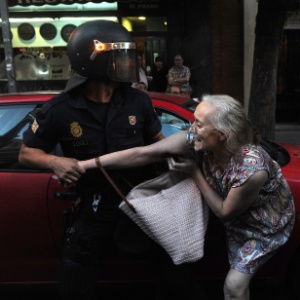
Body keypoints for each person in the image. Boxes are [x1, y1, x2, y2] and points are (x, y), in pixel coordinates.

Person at [77, 94, 295, 300]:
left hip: (262, 227)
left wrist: (194, 172)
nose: (192, 128)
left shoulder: (252, 168)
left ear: (221, 134)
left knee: (234, 285)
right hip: (236, 222)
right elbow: (143, 153)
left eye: (199, 124)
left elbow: (225, 212)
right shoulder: (201, 140)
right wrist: (84, 165)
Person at [17, 20, 168, 300]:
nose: (127, 63)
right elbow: (26, 153)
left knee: (170, 272)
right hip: (94, 209)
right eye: (119, 56)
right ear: (93, 60)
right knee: (76, 280)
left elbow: (158, 141)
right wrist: (54, 162)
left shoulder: (138, 101)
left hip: (141, 205)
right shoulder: (59, 109)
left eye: (128, 55)